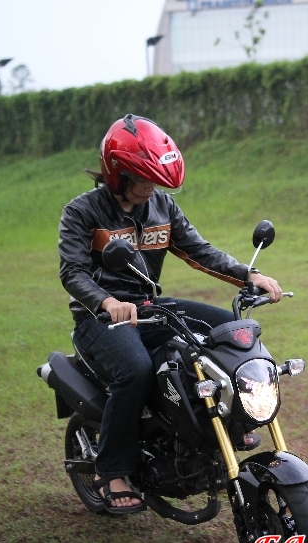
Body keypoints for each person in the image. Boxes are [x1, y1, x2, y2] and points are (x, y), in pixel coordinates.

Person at [58, 114, 282, 514]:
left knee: (231, 331)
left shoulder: (161, 205)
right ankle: (111, 471)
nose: (151, 188)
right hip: (100, 317)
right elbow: (72, 272)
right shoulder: (82, 212)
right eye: (143, 180)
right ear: (117, 173)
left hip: (149, 307)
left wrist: (249, 275)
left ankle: (237, 422)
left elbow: (198, 250)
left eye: (156, 180)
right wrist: (107, 302)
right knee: (136, 369)